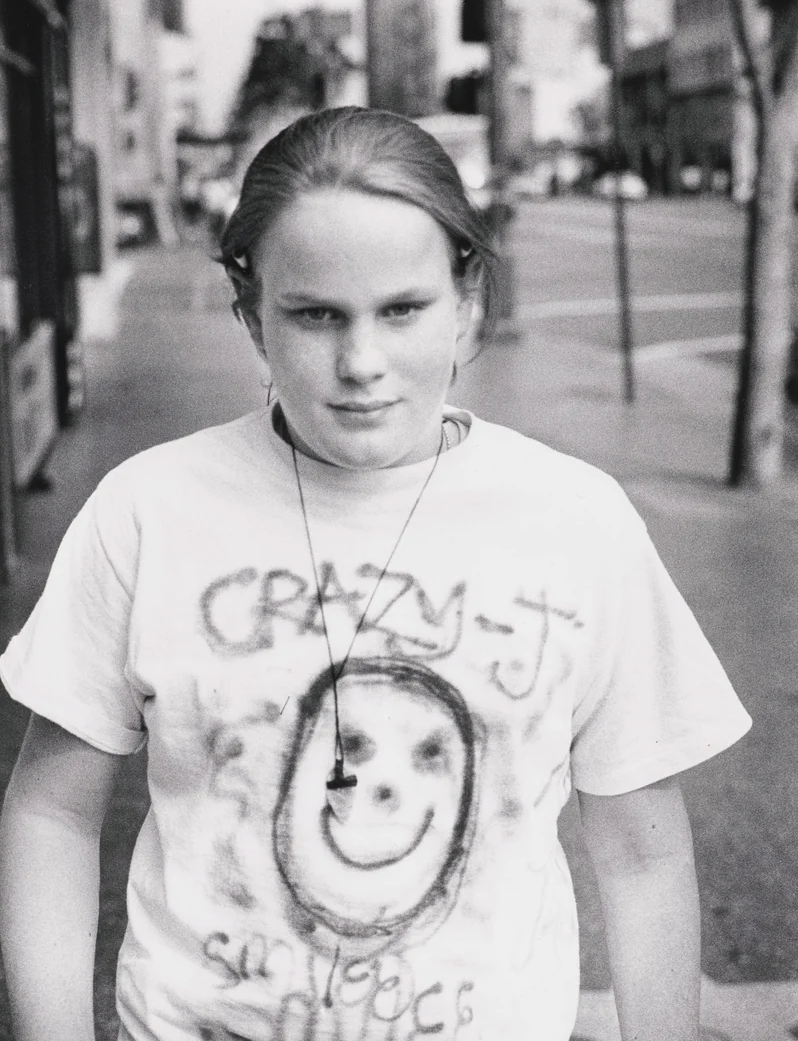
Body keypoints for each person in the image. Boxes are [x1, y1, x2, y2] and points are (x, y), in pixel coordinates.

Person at [0, 106, 750, 1041]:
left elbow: (641, 852)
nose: (361, 363)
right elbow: (54, 813)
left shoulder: (578, 521)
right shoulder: (146, 511)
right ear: (250, 314)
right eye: (315, 314)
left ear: (467, 300)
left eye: (402, 310)